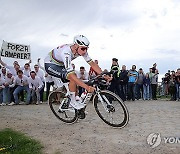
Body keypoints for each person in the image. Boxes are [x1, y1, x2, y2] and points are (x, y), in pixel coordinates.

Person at [44, 35, 107, 109]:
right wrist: (87, 87)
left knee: (73, 86)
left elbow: (92, 63)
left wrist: (103, 74)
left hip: (61, 64)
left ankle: (68, 100)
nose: (85, 51)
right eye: (83, 49)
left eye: (86, 49)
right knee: (72, 77)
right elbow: (72, 76)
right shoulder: (66, 53)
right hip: (51, 65)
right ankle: (72, 102)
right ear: (76, 46)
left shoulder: (80, 49)